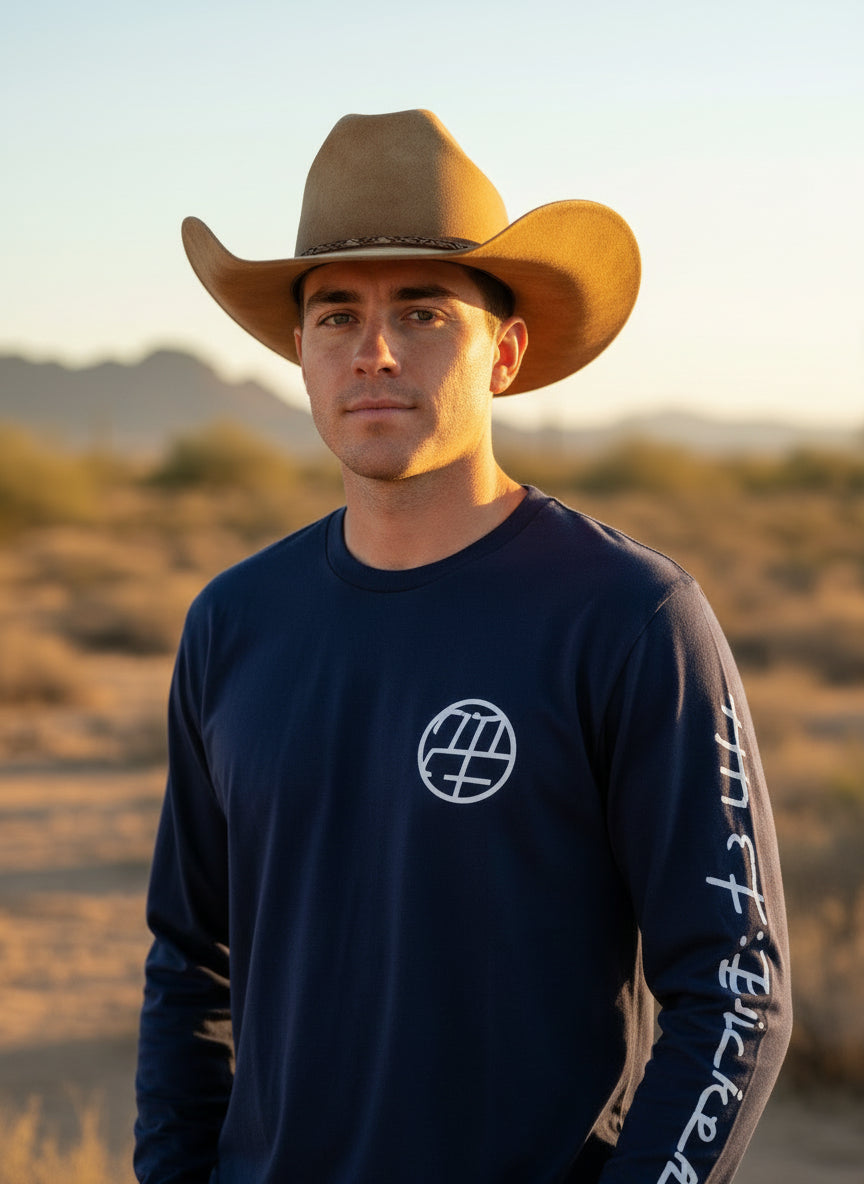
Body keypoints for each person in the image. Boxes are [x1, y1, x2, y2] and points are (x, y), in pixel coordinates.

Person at [134, 109, 792, 1184]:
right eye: (337, 314)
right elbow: (188, 964)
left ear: (507, 352)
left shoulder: (629, 616)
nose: (375, 351)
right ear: (300, 351)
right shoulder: (233, 621)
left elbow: (734, 987)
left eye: (425, 312)